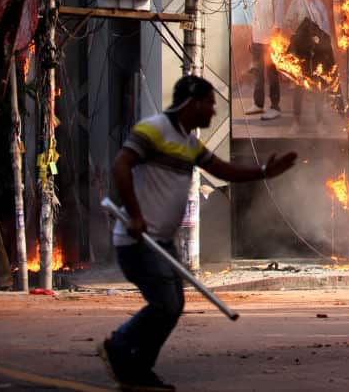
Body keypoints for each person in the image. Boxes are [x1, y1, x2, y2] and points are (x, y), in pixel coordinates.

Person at [98, 75, 298, 391]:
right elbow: (122, 165)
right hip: (138, 240)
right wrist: (136, 215)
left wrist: (264, 173)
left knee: (172, 305)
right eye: (210, 104)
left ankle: (137, 367)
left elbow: (224, 170)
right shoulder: (153, 130)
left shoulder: (190, 144)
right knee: (165, 304)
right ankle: (121, 347)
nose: (213, 112)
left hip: (163, 241)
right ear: (192, 102)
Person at [283, 0, 333, 129]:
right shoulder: (297, 2)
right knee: (299, 86)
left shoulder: (319, 6)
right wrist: (298, 37)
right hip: (301, 51)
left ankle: (319, 122)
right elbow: (288, 21)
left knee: (318, 85)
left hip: (317, 52)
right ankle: (296, 122)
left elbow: (325, 28)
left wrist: (319, 42)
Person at [248, 0, 284, 120]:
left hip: (270, 42)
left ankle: (275, 107)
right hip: (256, 39)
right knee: (258, 73)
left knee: (271, 74)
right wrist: (252, 38)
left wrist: (274, 44)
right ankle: (258, 104)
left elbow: (279, 21)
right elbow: (254, 18)